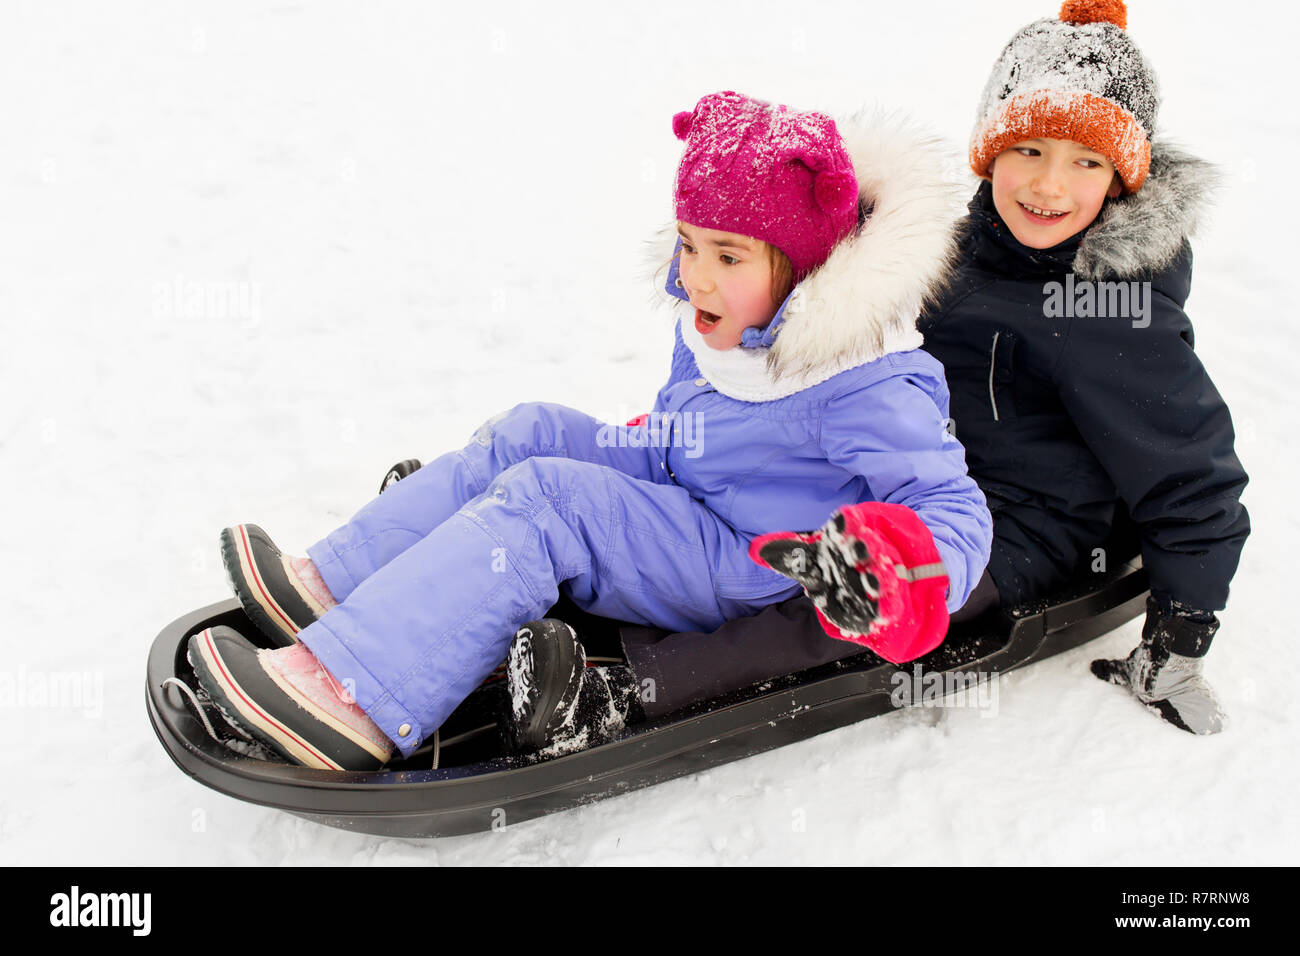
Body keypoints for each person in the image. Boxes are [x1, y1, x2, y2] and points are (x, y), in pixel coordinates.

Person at [187, 91, 993, 769]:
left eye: (728, 255)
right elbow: (698, 421)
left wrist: (896, 574)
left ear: (801, 267)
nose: (695, 274)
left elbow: (953, 509)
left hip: (738, 560)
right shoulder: (730, 318)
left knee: (549, 503)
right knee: (530, 432)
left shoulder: (866, 379)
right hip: (684, 484)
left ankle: (350, 695)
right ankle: (332, 587)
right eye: (687, 245)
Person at [748, 0, 1250, 736]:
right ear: (990, 153)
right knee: (755, 516)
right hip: (911, 473)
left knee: (842, 595)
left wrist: (1179, 639)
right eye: (1030, 151)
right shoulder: (965, 247)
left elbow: (1190, 470)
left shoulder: (1110, 314)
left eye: (1086, 162)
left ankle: (645, 684)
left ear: (1121, 179)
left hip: (1013, 527)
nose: (1049, 186)